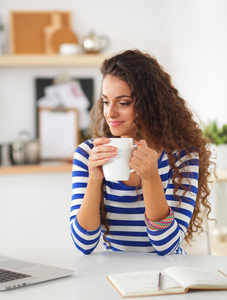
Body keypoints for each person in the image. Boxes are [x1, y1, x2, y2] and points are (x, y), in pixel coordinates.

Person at [70, 49, 213, 255]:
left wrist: (151, 178)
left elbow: (166, 246)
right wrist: (94, 179)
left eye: (123, 103)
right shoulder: (88, 154)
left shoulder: (182, 156)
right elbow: (84, 244)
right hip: (111, 275)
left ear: (151, 105)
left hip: (167, 276)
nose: (110, 113)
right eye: (105, 102)